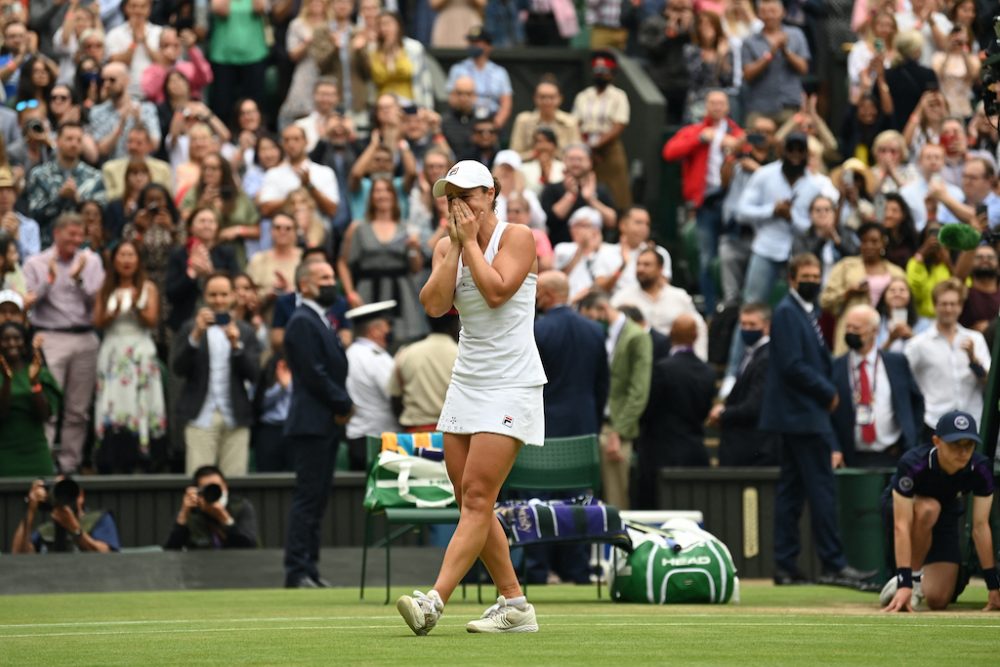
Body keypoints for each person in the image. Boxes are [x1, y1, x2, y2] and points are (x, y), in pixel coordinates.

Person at [396, 159, 545, 634]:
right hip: (466, 382)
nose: (458, 204)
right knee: (471, 503)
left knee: (479, 496)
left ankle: (434, 601)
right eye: (451, 196)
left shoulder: (518, 237)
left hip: (513, 382)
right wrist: (458, 247)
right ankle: (516, 604)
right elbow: (436, 304)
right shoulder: (448, 245)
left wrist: (470, 246)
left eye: (467, 195)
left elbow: (497, 290)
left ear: (491, 195)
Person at [760, 253, 876, 588]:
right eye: (806, 275)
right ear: (792, 278)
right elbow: (792, 365)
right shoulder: (786, 313)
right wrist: (828, 392)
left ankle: (785, 566)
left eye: (816, 274)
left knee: (792, 493)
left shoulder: (804, 312)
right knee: (821, 490)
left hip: (799, 415)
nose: (812, 279)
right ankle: (833, 564)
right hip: (803, 415)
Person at [526, 270, 608, 584]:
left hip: (543, 427)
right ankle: (578, 570)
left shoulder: (537, 330)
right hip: (583, 426)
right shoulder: (594, 331)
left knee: (538, 501)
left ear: (545, 294)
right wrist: (594, 423)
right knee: (578, 501)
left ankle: (537, 570)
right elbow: (602, 385)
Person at [880, 410, 1000, 613]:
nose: (962, 452)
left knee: (938, 600)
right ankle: (911, 579)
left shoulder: (981, 469)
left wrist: (993, 586)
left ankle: (921, 578)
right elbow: (901, 525)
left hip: (946, 515)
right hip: (904, 510)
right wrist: (906, 582)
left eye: (968, 445)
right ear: (937, 441)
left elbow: (980, 526)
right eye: (955, 445)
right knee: (929, 508)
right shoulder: (912, 463)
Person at [282, 259, 353, 588]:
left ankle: (309, 567)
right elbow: (314, 373)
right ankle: (297, 569)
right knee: (308, 497)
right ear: (305, 284)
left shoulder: (320, 319)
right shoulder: (301, 321)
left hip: (324, 421)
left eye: (332, 276)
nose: (331, 282)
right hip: (312, 421)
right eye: (324, 278)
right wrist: (342, 403)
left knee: (318, 497)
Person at [22, 213, 104, 474]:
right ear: (57, 234)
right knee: (49, 406)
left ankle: (69, 465)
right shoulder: (36, 262)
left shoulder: (91, 260)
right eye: (71, 234)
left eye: (80, 235)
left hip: (85, 337)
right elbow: (27, 303)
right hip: (50, 336)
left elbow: (98, 304)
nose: (76, 240)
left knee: (78, 411)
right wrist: (49, 281)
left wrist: (78, 279)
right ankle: (43, 463)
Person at [661, 89, 744, 313]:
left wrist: (736, 146)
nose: (717, 107)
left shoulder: (737, 133)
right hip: (706, 204)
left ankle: (730, 307)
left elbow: (753, 153)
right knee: (706, 258)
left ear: (728, 107)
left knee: (730, 257)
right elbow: (669, 152)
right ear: (706, 106)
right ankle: (709, 311)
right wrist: (700, 139)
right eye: (712, 103)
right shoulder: (695, 131)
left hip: (733, 205)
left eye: (721, 103)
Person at [172, 272, 261, 477]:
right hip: (200, 416)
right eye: (213, 295)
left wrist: (236, 346)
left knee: (236, 484)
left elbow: (254, 374)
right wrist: (195, 336)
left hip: (235, 417)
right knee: (198, 485)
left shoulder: (245, 331)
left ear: (233, 296)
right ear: (204, 296)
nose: (218, 300)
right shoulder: (189, 328)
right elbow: (178, 369)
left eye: (223, 294)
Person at [92, 241, 166, 474]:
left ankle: (144, 451)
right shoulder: (105, 287)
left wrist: (135, 305)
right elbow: (97, 322)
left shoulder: (148, 288)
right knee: (114, 402)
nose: (126, 260)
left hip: (139, 349)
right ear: (114, 260)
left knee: (140, 399)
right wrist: (111, 314)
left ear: (138, 260)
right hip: (114, 349)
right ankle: (112, 449)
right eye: (122, 255)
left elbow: (152, 321)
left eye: (131, 255)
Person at [578, 289, 651, 512]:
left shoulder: (636, 336)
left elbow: (638, 391)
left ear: (601, 309)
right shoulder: (606, 335)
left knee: (616, 500)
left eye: (590, 318)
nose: (591, 325)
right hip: (598, 424)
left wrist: (618, 431)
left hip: (616, 429)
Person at [831, 305, 925, 469]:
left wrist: (912, 442)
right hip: (851, 459)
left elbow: (916, 402)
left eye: (856, 328)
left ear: (874, 331)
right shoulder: (836, 367)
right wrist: (835, 448)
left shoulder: (896, 363)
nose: (850, 332)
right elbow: (828, 414)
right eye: (848, 327)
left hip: (893, 456)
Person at [637, 314, 714, 505]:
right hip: (694, 452)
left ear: (671, 335)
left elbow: (648, 409)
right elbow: (704, 411)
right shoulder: (707, 371)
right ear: (696, 336)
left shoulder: (663, 369)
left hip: (660, 453)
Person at [905, 278, 990, 440]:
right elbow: (904, 381)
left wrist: (973, 360)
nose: (948, 309)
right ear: (935, 305)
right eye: (943, 304)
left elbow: (989, 382)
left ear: (961, 306)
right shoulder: (918, 344)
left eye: (953, 304)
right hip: (934, 423)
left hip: (972, 423)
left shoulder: (975, 339)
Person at [708, 302, 779, 467]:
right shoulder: (751, 354)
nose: (747, 329)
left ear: (767, 327)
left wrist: (723, 413)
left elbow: (754, 405)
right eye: (743, 324)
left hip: (754, 446)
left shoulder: (766, 358)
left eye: (752, 325)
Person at [820, 222, 907, 356]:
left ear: (883, 243)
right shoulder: (846, 266)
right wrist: (848, 292)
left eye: (874, 241)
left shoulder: (896, 272)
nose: (869, 246)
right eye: (864, 241)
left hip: (886, 333)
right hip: (852, 333)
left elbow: (907, 304)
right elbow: (825, 301)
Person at [611, 247, 708, 360]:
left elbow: (699, 326)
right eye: (638, 264)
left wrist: (699, 359)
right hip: (635, 359)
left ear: (660, 269)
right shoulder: (623, 297)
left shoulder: (678, 296)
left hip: (671, 362)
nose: (641, 269)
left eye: (647, 265)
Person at [343, 300, 401, 471]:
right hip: (379, 441)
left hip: (356, 438)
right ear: (374, 330)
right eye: (386, 326)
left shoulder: (350, 354)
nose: (389, 331)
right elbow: (394, 394)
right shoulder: (376, 358)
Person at [26, 122, 106, 242]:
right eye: (69, 139)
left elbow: (101, 217)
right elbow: (33, 215)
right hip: (48, 243)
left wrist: (78, 202)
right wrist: (59, 199)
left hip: (84, 245)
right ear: (57, 141)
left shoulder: (95, 177)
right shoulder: (39, 175)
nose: (74, 144)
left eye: (79, 140)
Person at [572, 51, 631, 210]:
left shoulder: (619, 96)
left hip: (609, 148)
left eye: (605, 72)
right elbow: (575, 122)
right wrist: (586, 146)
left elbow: (619, 124)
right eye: (597, 71)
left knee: (617, 190)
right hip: (584, 147)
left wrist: (597, 145)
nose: (601, 75)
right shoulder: (583, 96)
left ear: (612, 74)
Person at [0, 321, 58, 477]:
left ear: (24, 342)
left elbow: (45, 415)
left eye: (17, 338)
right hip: (4, 454)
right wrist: (7, 381)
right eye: (5, 339)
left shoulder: (40, 373)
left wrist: (34, 383)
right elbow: (2, 414)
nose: (12, 343)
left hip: (36, 453)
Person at [388, 311, 460, 433]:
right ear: (455, 323)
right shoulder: (462, 356)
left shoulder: (406, 353)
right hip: (452, 435)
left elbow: (395, 399)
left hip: (414, 436)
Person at [740, 0, 810, 119]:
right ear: (758, 15)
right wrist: (770, 54)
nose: (769, 16)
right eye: (764, 12)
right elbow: (747, 75)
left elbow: (803, 69)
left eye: (773, 11)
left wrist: (786, 52)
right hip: (759, 107)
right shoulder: (749, 41)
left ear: (783, 12)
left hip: (790, 104)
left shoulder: (796, 35)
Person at [12, 477, 121, 553]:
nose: (64, 498)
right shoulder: (46, 531)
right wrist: (31, 510)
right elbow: (18, 554)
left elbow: (107, 555)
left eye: (68, 491)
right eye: (59, 491)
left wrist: (75, 530)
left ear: (81, 496)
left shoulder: (98, 519)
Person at [164, 465, 259, 550]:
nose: (213, 493)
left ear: (225, 487)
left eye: (217, 488)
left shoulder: (241, 507)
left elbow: (249, 548)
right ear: (198, 492)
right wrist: (184, 513)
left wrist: (226, 519)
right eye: (208, 489)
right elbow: (171, 551)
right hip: (199, 566)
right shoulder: (191, 513)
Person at [540, 143, 617, 245]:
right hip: (559, 248)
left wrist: (591, 199)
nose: (576, 163)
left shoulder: (601, 189)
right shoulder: (551, 189)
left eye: (580, 159)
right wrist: (570, 195)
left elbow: (612, 221)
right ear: (564, 162)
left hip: (595, 251)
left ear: (590, 162)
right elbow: (548, 220)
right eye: (571, 159)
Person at [444, 27, 512, 130]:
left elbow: (506, 102)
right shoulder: (458, 69)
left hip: (491, 118)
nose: (473, 45)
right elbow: (451, 98)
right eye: (471, 42)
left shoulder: (499, 72)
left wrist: (496, 125)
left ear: (488, 46)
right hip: (465, 117)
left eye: (477, 42)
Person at [553, 206, 619, 302]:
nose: (577, 230)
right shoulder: (562, 248)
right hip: (570, 300)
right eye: (574, 225)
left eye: (583, 226)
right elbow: (559, 279)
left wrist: (596, 249)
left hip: (599, 302)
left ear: (597, 229)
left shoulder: (611, 250)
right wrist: (581, 249)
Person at [958, 245, 1000, 333]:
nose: (985, 260)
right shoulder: (963, 293)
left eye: (990, 257)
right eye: (979, 257)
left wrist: (991, 326)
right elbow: (959, 277)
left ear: (998, 263)